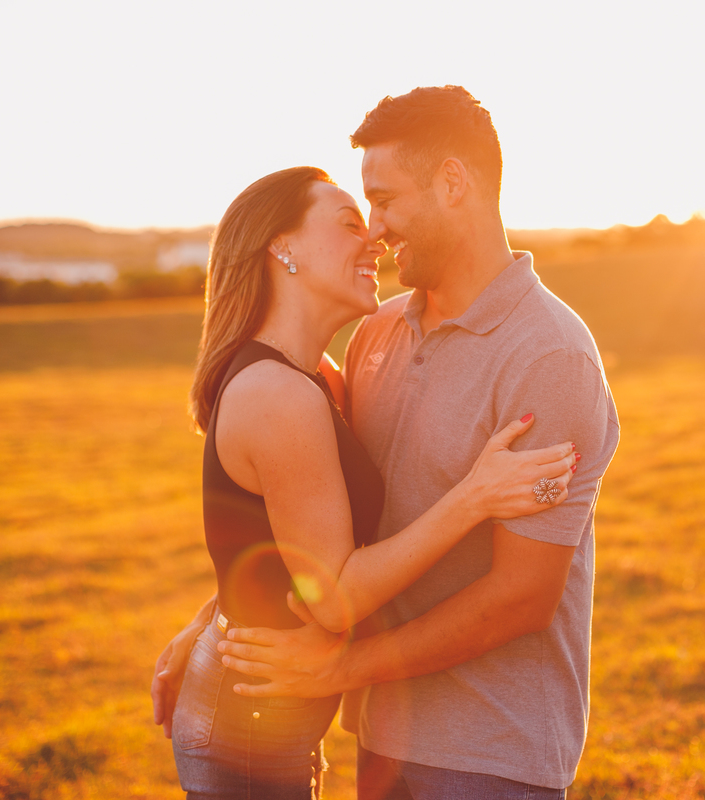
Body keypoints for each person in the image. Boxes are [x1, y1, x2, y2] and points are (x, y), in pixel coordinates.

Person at [211, 87, 620, 799]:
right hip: (382, 740)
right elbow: (301, 517)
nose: (374, 230)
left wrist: (340, 670)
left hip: (491, 756)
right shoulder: (375, 332)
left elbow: (522, 596)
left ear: (452, 183)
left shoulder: (549, 356)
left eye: (385, 200)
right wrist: (212, 628)